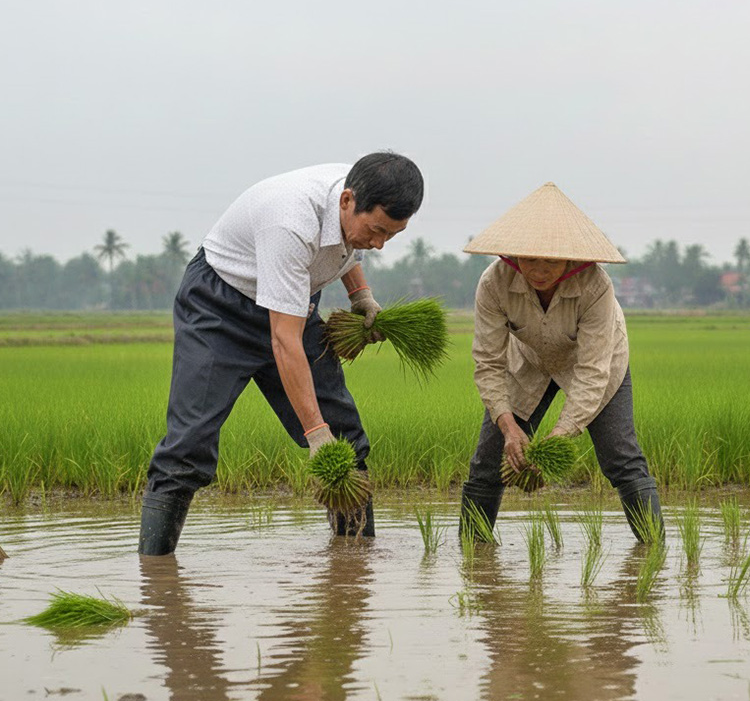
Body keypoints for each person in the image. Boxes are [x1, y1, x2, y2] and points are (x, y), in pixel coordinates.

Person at [139, 152, 424, 555]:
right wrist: (315, 434)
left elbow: (343, 248)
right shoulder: (290, 221)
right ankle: (155, 577)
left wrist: (361, 295)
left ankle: (353, 568)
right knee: (189, 446)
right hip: (220, 310)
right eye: (377, 230)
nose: (378, 245)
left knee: (345, 435)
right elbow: (284, 342)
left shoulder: (359, 190)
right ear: (347, 201)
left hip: (293, 300)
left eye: (391, 236)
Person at [461, 182, 662, 542]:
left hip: (597, 365)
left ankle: (653, 550)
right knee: (487, 462)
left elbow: (592, 372)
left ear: (569, 259)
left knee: (622, 457)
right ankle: (474, 558)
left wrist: (556, 438)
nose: (538, 270)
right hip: (529, 364)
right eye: (529, 259)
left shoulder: (595, 286)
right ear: (513, 255)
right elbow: (489, 361)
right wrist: (508, 427)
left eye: (550, 260)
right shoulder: (494, 282)